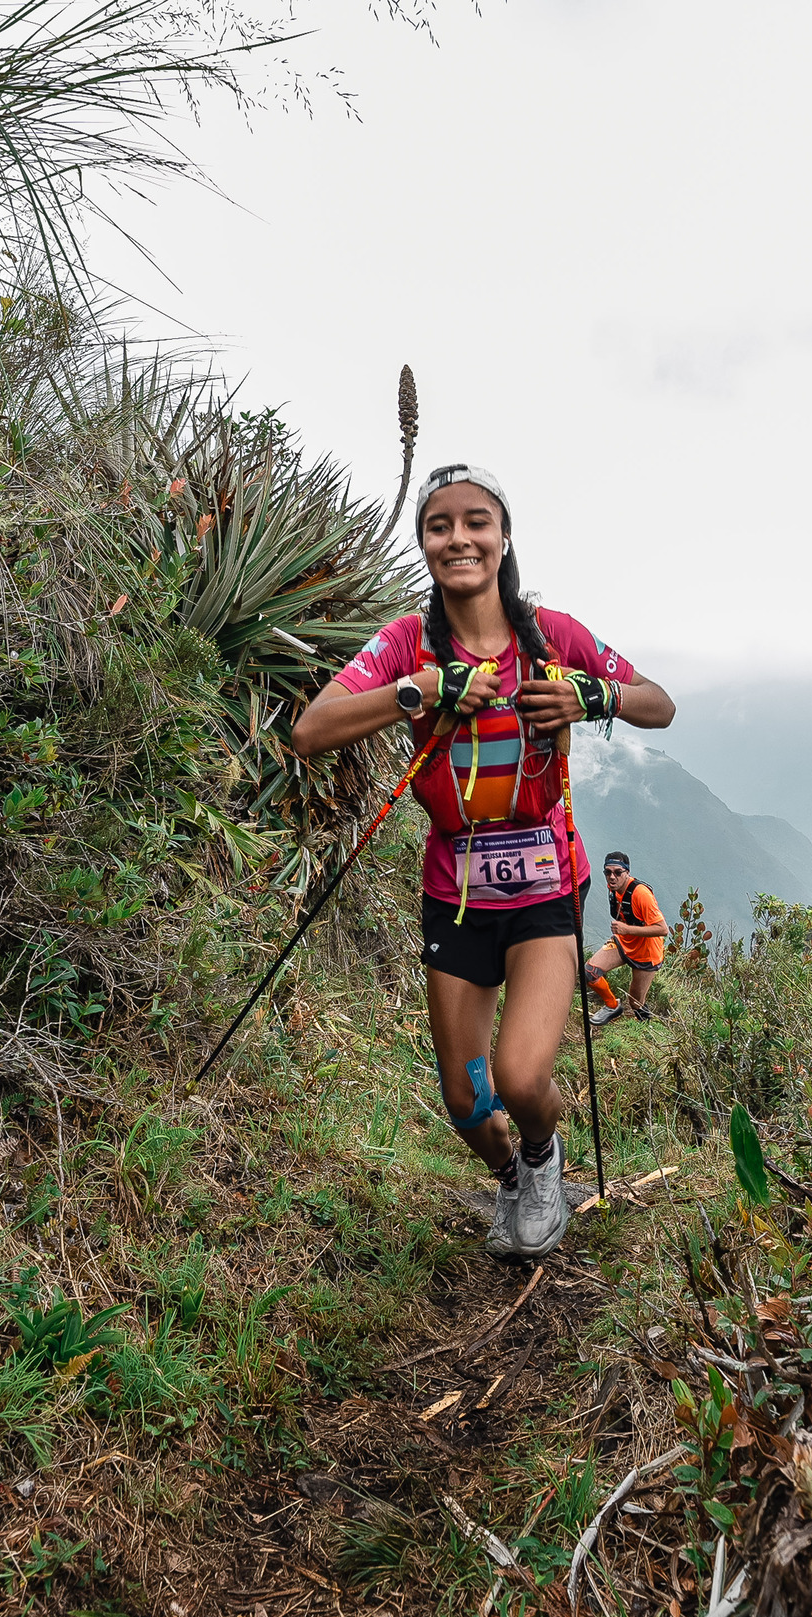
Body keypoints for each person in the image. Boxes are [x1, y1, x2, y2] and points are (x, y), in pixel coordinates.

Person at [290, 464, 675, 1260]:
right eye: (440, 525)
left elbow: (657, 702)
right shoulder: (409, 644)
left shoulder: (552, 634)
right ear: (426, 541)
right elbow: (311, 729)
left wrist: (588, 696)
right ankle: (511, 1173)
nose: (458, 537)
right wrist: (416, 691)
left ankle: (542, 1155)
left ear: (503, 538)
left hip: (543, 889)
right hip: (457, 891)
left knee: (523, 1078)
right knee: (465, 1097)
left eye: (476, 522)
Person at [584, 853, 665, 1026]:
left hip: (646, 952)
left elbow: (662, 929)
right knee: (590, 972)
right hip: (623, 942)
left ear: (627, 872)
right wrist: (622, 933)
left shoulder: (641, 894)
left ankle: (647, 1029)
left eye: (618, 872)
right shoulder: (612, 888)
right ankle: (612, 1006)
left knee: (636, 1003)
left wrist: (626, 929)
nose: (612, 877)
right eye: (608, 872)